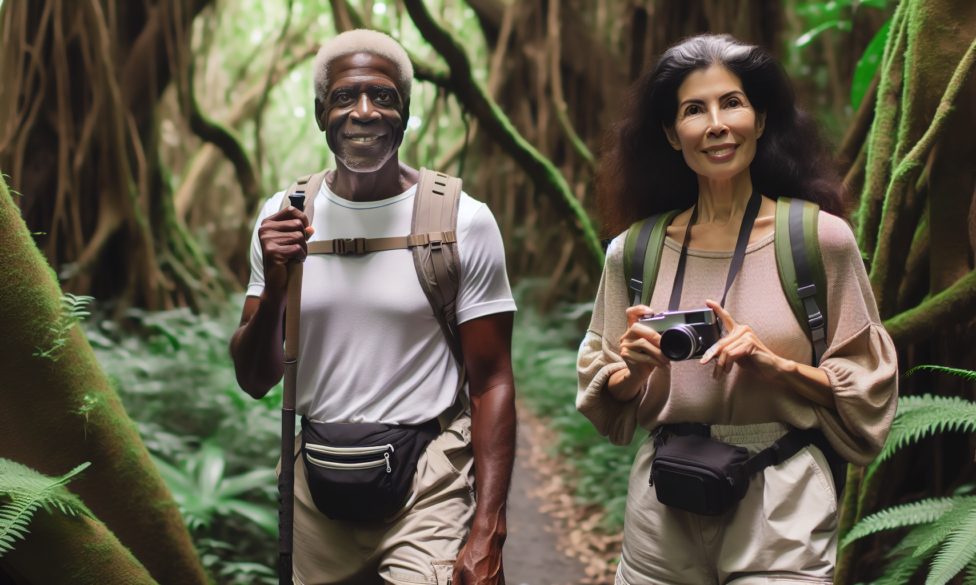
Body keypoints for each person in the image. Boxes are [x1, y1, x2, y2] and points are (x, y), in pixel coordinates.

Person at [577, 34, 898, 585]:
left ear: (761, 117)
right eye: (694, 110)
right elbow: (599, 389)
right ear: (672, 134)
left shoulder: (819, 240)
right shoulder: (634, 252)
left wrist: (774, 365)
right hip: (665, 496)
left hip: (782, 495)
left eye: (732, 102)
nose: (716, 124)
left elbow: (869, 381)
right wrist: (634, 370)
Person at [230, 29, 516, 585]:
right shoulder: (283, 216)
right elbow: (254, 378)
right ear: (321, 113)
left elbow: (491, 382)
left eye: (383, 97)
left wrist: (488, 529)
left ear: (404, 114)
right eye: (345, 96)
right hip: (317, 486)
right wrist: (277, 283)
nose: (364, 111)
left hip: (428, 481)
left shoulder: (463, 220)